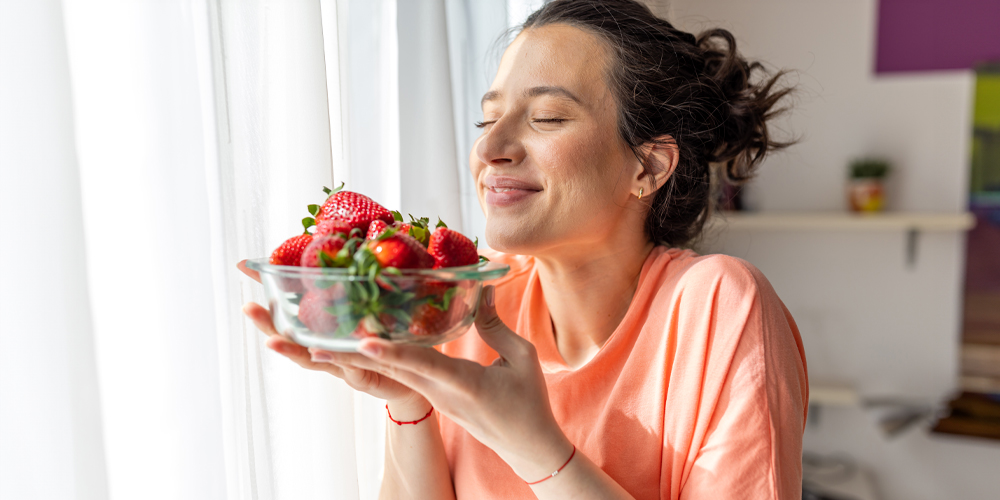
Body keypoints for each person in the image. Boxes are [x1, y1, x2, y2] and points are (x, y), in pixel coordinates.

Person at [243, 0, 807, 498]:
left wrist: (535, 448)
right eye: (486, 119)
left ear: (648, 165)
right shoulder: (468, 298)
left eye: (547, 118)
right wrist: (410, 402)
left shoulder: (719, 306)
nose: (490, 146)